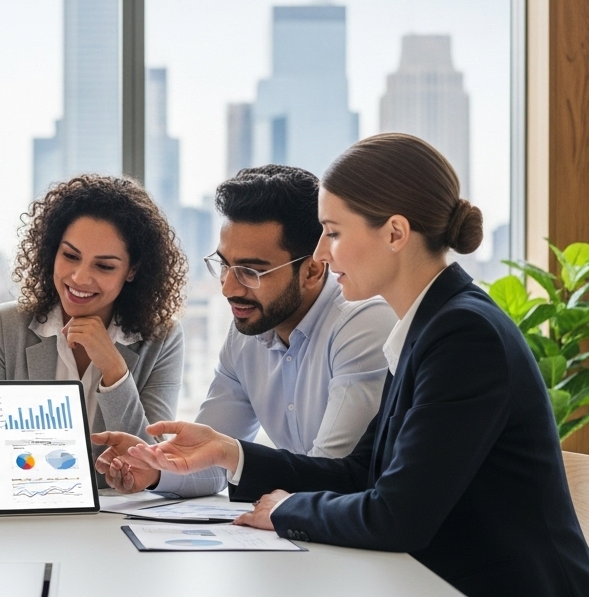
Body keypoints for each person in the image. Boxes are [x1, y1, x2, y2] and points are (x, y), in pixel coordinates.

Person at [119, 134, 589, 597]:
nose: (323, 254)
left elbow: (397, 516)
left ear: (395, 233)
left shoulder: (463, 335)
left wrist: (290, 507)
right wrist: (232, 452)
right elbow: (361, 475)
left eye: (332, 232)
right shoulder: (427, 323)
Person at [92, 165, 395, 498]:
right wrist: (155, 468)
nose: (228, 288)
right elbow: (211, 464)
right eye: (224, 265)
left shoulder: (362, 323)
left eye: (251, 271)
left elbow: (335, 475)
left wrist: (230, 454)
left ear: (311, 271)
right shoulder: (247, 333)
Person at [0, 174, 186, 465]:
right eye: (71, 256)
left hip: (115, 507)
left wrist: (113, 369)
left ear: (132, 270)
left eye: (104, 266)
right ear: (52, 251)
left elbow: (151, 460)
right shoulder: (5, 325)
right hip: (29, 502)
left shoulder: (162, 338)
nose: (80, 277)